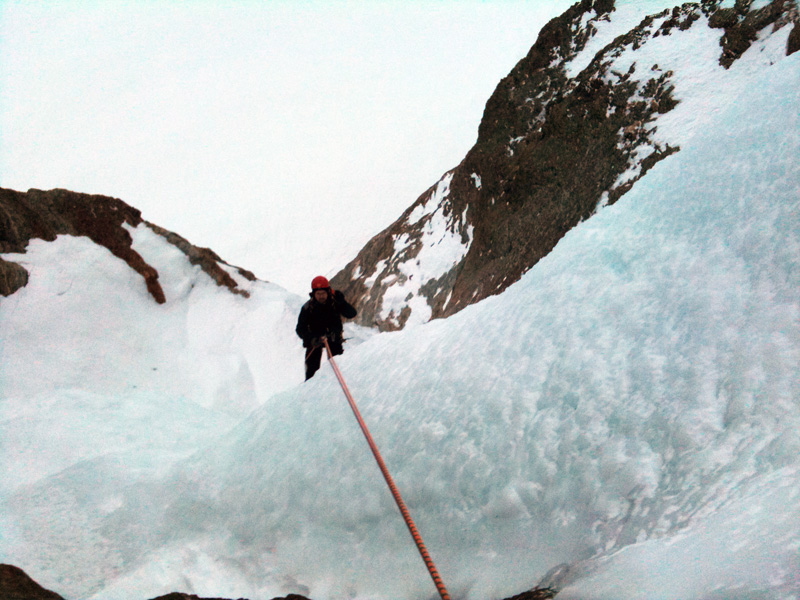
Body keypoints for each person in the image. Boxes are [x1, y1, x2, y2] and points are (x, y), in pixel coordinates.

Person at [296, 275, 358, 380]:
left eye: (323, 293)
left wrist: (342, 302)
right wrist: (311, 339)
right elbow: (300, 329)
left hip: (334, 340)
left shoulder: (335, 303)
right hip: (315, 342)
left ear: (328, 292)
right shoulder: (307, 308)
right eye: (318, 294)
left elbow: (351, 314)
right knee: (312, 373)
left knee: (338, 369)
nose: (321, 296)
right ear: (313, 294)